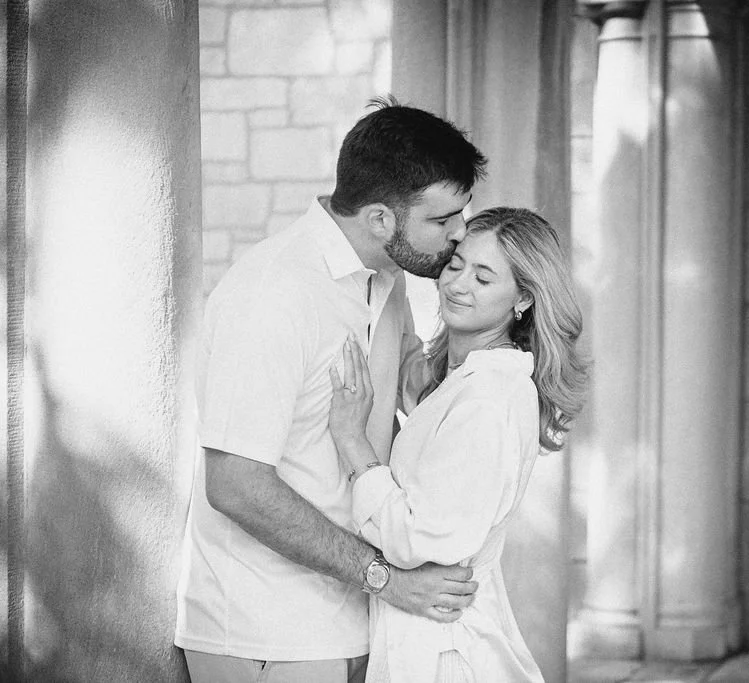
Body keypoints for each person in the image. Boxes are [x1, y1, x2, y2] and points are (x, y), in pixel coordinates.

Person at [174, 97, 488, 683]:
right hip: (262, 628)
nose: (459, 234)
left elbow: (415, 388)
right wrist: (389, 580)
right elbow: (236, 486)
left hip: (352, 619)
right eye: (443, 221)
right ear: (380, 220)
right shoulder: (272, 296)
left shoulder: (386, 278)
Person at [328, 207, 590, 682]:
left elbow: (414, 542)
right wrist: (391, 269)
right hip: (421, 643)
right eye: (455, 265)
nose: (457, 284)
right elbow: (406, 360)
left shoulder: (489, 398)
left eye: (483, 278)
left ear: (524, 299)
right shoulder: (458, 374)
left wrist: (353, 442)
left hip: (446, 654)